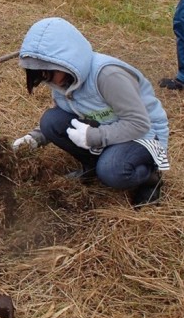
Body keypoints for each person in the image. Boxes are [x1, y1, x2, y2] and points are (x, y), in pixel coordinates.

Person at [12, 18, 170, 208]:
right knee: (51, 121)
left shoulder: (108, 76)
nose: (46, 80)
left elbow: (139, 123)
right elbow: (62, 114)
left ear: (66, 61)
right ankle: (93, 166)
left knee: (111, 169)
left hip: (145, 135)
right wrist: (35, 138)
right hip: (109, 129)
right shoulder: (63, 80)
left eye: (48, 72)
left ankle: (149, 177)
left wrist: (94, 136)